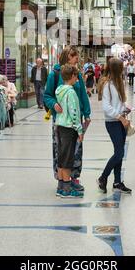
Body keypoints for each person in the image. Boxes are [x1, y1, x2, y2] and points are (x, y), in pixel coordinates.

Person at [44, 46, 91, 191]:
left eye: (77, 55)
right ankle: (61, 180)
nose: (76, 58)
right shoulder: (55, 74)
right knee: (60, 149)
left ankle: (74, 178)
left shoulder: (77, 75)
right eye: (73, 55)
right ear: (66, 57)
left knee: (76, 149)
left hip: (76, 120)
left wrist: (87, 114)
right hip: (61, 120)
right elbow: (47, 95)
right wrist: (54, 104)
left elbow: (83, 95)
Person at [97, 58, 132, 194]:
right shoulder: (107, 85)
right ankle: (103, 177)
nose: (123, 69)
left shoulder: (117, 83)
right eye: (121, 68)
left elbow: (119, 103)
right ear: (117, 69)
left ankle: (117, 181)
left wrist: (125, 108)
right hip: (112, 123)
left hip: (119, 121)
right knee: (119, 153)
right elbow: (107, 107)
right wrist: (120, 118)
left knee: (120, 152)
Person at [55, 64, 84, 198]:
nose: (77, 78)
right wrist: (79, 130)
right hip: (69, 128)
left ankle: (60, 186)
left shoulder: (59, 90)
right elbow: (74, 112)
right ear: (72, 76)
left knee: (61, 157)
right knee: (67, 159)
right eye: (76, 76)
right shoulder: (71, 92)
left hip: (60, 126)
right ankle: (67, 189)